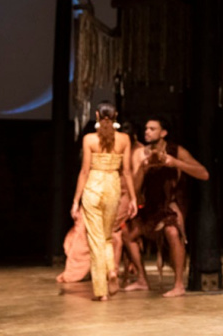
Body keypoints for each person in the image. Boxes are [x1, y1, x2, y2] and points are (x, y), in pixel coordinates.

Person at [121, 115, 209, 297]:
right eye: (146, 128)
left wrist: (175, 163)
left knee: (172, 232)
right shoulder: (140, 154)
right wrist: (143, 168)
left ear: (163, 133)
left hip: (171, 203)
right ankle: (142, 279)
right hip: (150, 204)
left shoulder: (176, 151)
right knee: (128, 234)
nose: (147, 132)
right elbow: (135, 190)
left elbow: (203, 174)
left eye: (152, 129)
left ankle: (179, 284)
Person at [69, 101, 137, 301]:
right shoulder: (124, 139)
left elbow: (84, 171)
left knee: (96, 240)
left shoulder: (89, 139)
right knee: (107, 237)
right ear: (115, 116)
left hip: (93, 186)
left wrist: (75, 200)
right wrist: (133, 198)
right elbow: (127, 172)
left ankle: (101, 291)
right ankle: (112, 270)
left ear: (97, 115)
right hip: (112, 188)